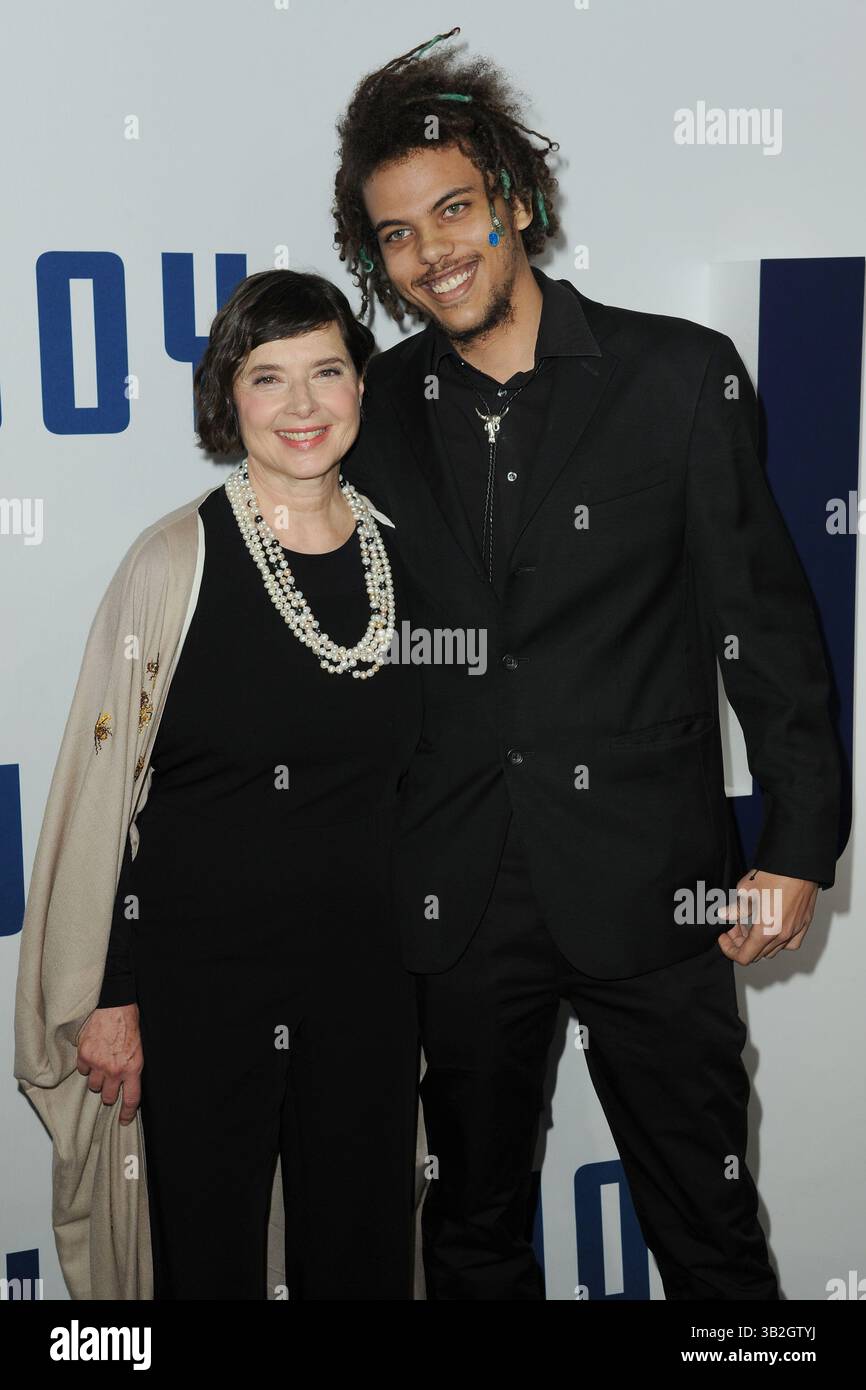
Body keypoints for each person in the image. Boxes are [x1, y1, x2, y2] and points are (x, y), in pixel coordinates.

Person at [334, 30, 843, 1300]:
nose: (432, 251)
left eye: (454, 209)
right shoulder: (371, 411)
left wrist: (793, 844)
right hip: (455, 900)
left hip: (651, 886)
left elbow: (765, 627)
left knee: (709, 1235)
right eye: (397, 233)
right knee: (468, 1238)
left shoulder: (675, 377)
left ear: (515, 202)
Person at [14, 269, 422, 1300]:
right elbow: (106, 801)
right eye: (266, 377)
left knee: (363, 1251)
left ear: (361, 387)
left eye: (326, 371)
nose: (300, 406)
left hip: (368, 986)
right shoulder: (172, 563)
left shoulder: (406, 564)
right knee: (204, 1263)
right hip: (202, 992)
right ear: (225, 400)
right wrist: (111, 995)